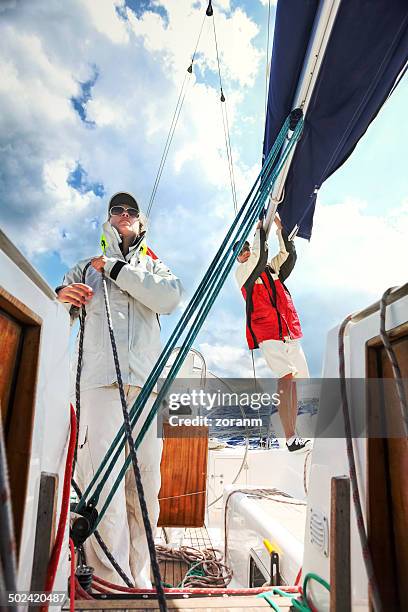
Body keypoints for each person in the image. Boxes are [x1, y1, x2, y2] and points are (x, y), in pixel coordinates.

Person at [56, 192, 183, 587]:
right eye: (117, 209)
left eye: (131, 210)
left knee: (145, 485)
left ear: (139, 220)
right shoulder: (83, 267)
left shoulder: (155, 268)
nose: (124, 214)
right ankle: (112, 578)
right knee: (103, 483)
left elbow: (169, 298)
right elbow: (61, 315)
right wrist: (62, 300)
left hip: (145, 385)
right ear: (109, 219)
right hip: (99, 383)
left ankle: (140, 577)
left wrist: (116, 269)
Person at [234, 216, 310, 453]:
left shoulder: (270, 269)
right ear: (237, 258)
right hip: (267, 331)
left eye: (246, 247)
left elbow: (288, 255)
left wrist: (280, 229)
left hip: (288, 329)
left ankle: (292, 431)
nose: (245, 252)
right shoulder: (243, 273)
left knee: (298, 380)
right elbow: (259, 257)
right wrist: (260, 231)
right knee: (286, 377)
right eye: (241, 251)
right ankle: (290, 438)